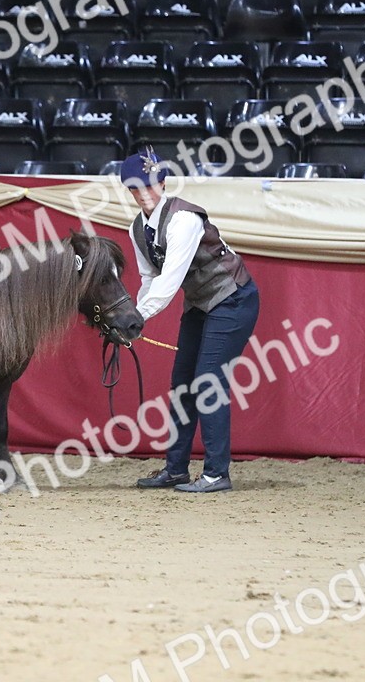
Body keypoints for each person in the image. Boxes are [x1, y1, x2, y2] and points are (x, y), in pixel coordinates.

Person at [120, 148, 260, 493]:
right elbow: (148, 279)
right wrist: (133, 320)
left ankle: (216, 474)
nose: (144, 194)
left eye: (150, 185)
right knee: (183, 383)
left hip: (233, 298)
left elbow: (169, 280)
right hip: (201, 304)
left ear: (163, 183)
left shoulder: (184, 219)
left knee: (208, 382)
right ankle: (176, 469)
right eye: (136, 188)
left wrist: (137, 318)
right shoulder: (136, 229)